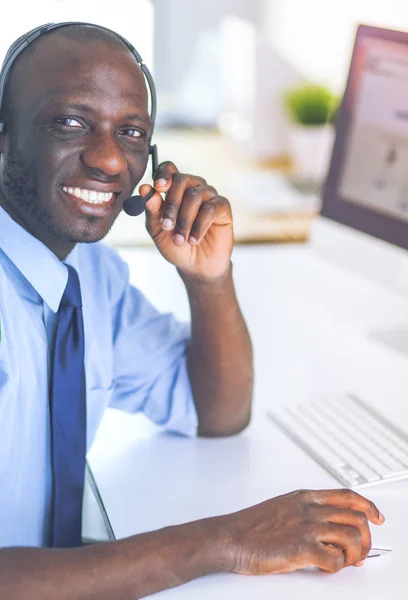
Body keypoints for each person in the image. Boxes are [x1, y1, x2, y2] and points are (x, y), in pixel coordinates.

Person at [0, 22, 384, 599]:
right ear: (5, 135)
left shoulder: (89, 276)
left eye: (131, 132)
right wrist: (225, 541)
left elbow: (216, 410)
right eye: (71, 122)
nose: (108, 159)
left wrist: (208, 277)